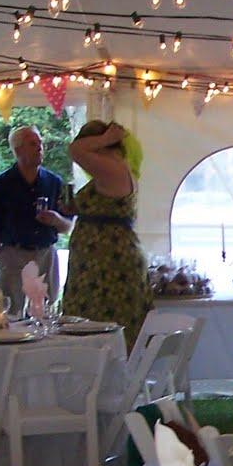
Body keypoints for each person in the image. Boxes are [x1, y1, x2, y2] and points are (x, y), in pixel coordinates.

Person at [60, 119, 153, 344]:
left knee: (97, 325)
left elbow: (74, 150)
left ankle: (101, 374)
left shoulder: (112, 166)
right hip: (103, 258)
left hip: (105, 263)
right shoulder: (115, 170)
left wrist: (105, 138)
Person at [0, 124, 71, 315]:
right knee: (12, 313)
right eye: (32, 143)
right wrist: (2, 258)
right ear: (18, 150)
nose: (40, 147)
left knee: (46, 312)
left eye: (40, 143)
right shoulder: (2, 184)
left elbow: (69, 225)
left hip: (46, 255)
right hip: (14, 254)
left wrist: (55, 220)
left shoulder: (54, 182)